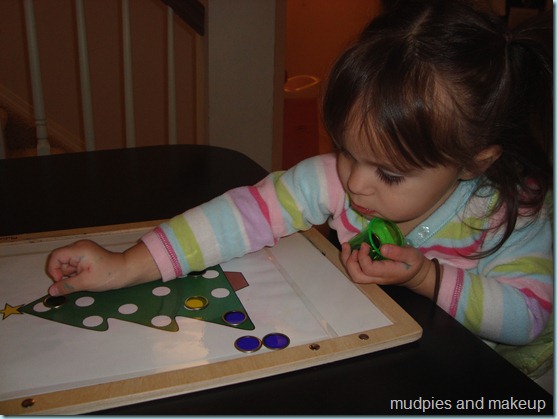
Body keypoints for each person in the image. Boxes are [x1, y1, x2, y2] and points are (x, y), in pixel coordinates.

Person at [46, 0, 552, 375]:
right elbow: (241, 217)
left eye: (390, 174)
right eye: (346, 149)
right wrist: (125, 265)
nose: (355, 182)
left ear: (471, 164)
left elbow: (528, 316)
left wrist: (424, 277)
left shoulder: (508, 212)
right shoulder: (334, 178)